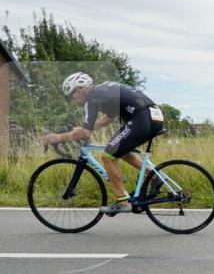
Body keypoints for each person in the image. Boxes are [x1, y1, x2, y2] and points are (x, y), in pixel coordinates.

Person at [41, 72, 165, 215]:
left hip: (142, 118)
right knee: (118, 149)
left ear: (79, 90)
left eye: (72, 95)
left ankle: (122, 202)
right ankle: (154, 176)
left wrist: (58, 137)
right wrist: (81, 129)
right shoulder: (102, 92)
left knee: (107, 155)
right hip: (154, 115)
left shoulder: (91, 98)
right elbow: (107, 119)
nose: (73, 99)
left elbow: (86, 133)